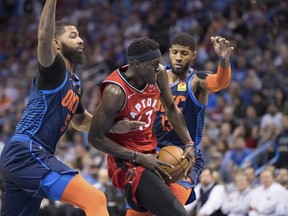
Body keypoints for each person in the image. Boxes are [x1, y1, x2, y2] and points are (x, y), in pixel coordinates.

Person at [0, 1, 109, 215]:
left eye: (79, 35)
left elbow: (79, 121)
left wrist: (113, 126)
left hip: (24, 157)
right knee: (96, 199)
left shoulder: (75, 83)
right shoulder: (54, 69)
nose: (81, 40)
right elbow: (43, 37)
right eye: (73, 35)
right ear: (57, 44)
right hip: (28, 150)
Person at [126, 33, 233, 215]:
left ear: (193, 55)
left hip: (184, 156)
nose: (178, 57)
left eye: (184, 53)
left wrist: (223, 60)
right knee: (136, 211)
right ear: (169, 52)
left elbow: (219, 83)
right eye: (175, 52)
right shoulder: (154, 78)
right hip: (152, 154)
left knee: (171, 206)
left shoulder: (196, 81)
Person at [88, 37, 195, 216]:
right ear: (137, 64)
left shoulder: (158, 74)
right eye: (154, 64)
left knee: (178, 201)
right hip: (126, 162)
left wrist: (189, 143)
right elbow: (95, 138)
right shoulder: (115, 92)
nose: (159, 68)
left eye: (159, 63)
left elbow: (171, 108)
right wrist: (138, 157)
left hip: (151, 154)